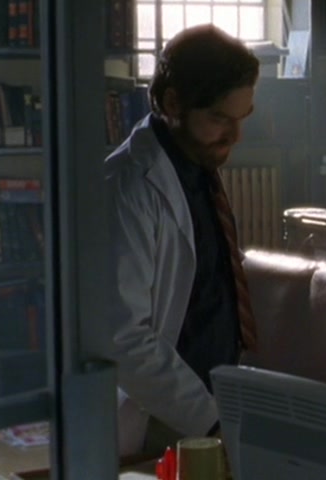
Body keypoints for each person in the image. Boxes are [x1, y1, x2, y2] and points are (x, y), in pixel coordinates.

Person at [103, 24, 260, 455]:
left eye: (242, 118)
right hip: (168, 415)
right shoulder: (129, 185)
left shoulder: (197, 165)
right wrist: (211, 421)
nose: (235, 136)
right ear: (173, 103)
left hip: (216, 401)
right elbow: (123, 336)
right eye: (220, 119)